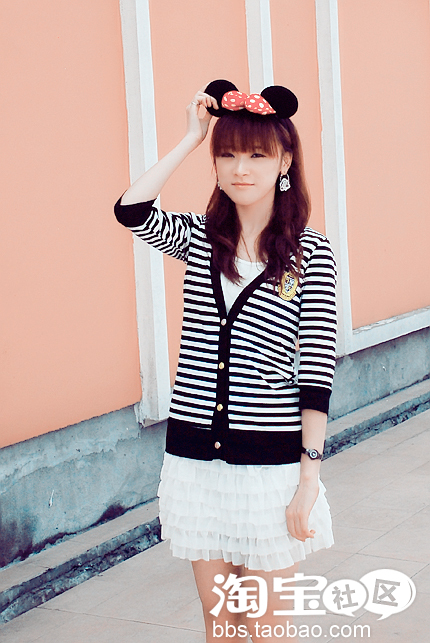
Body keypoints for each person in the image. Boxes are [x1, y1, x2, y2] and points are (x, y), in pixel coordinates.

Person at [114, 79, 337, 642]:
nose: (241, 168)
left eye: (257, 155)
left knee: (266, 628)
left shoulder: (310, 252)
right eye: (228, 154)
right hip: (195, 464)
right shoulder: (199, 238)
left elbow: (316, 370)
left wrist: (309, 477)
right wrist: (192, 138)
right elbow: (131, 209)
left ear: (284, 161)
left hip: (270, 468)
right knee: (222, 627)